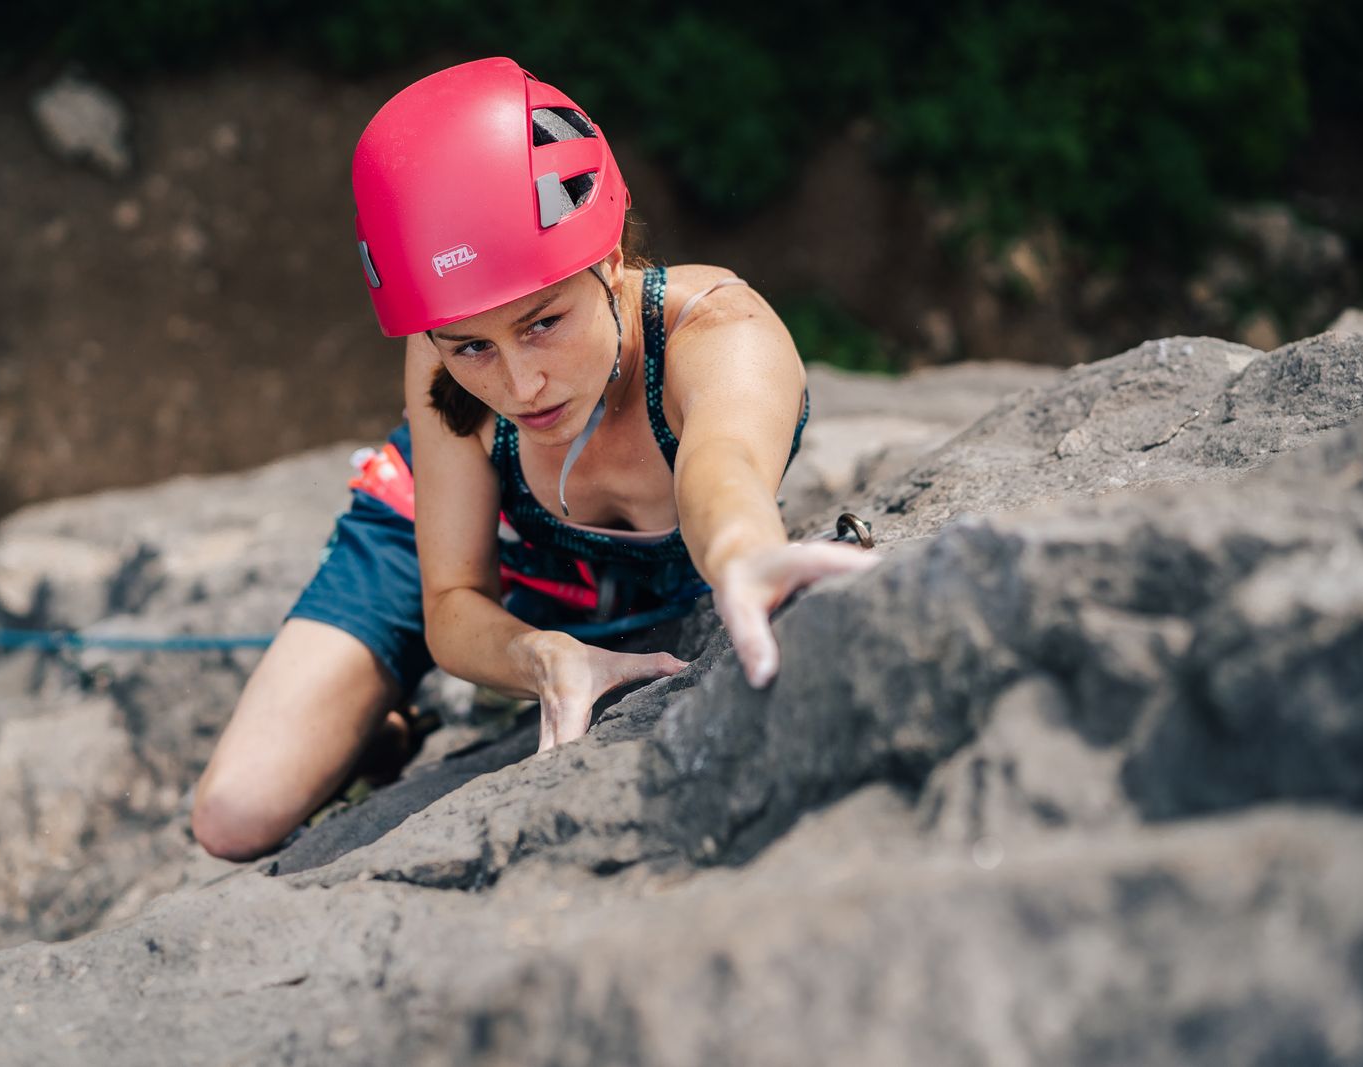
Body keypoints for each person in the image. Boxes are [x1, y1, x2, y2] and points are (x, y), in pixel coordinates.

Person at [192, 57, 877, 861]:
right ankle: (385, 728)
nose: (519, 386)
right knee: (234, 815)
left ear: (610, 259)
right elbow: (452, 596)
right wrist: (538, 655)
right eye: (471, 348)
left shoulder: (721, 334)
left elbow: (720, 466)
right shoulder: (440, 350)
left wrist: (743, 553)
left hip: (615, 575)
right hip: (448, 524)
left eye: (543, 323)